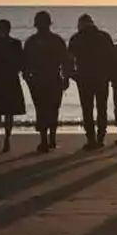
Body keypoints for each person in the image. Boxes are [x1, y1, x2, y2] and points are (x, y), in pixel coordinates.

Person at [24, 11, 69, 153]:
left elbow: (25, 65)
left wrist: (28, 79)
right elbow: (66, 61)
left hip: (40, 79)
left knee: (42, 110)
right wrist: (66, 77)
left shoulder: (31, 41)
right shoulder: (57, 40)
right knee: (52, 109)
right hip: (51, 79)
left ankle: (45, 140)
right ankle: (50, 139)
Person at [68, 13, 115, 151]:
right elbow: (112, 57)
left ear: (81, 25)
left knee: (87, 109)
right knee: (102, 108)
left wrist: (72, 75)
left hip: (84, 78)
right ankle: (101, 138)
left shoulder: (76, 38)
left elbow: (69, 59)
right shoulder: (104, 37)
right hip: (102, 77)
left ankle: (91, 139)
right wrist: (110, 75)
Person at [0, 19, 26, 153]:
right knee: (7, 112)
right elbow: (21, 63)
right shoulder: (15, 43)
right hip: (10, 80)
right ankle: (5, 138)